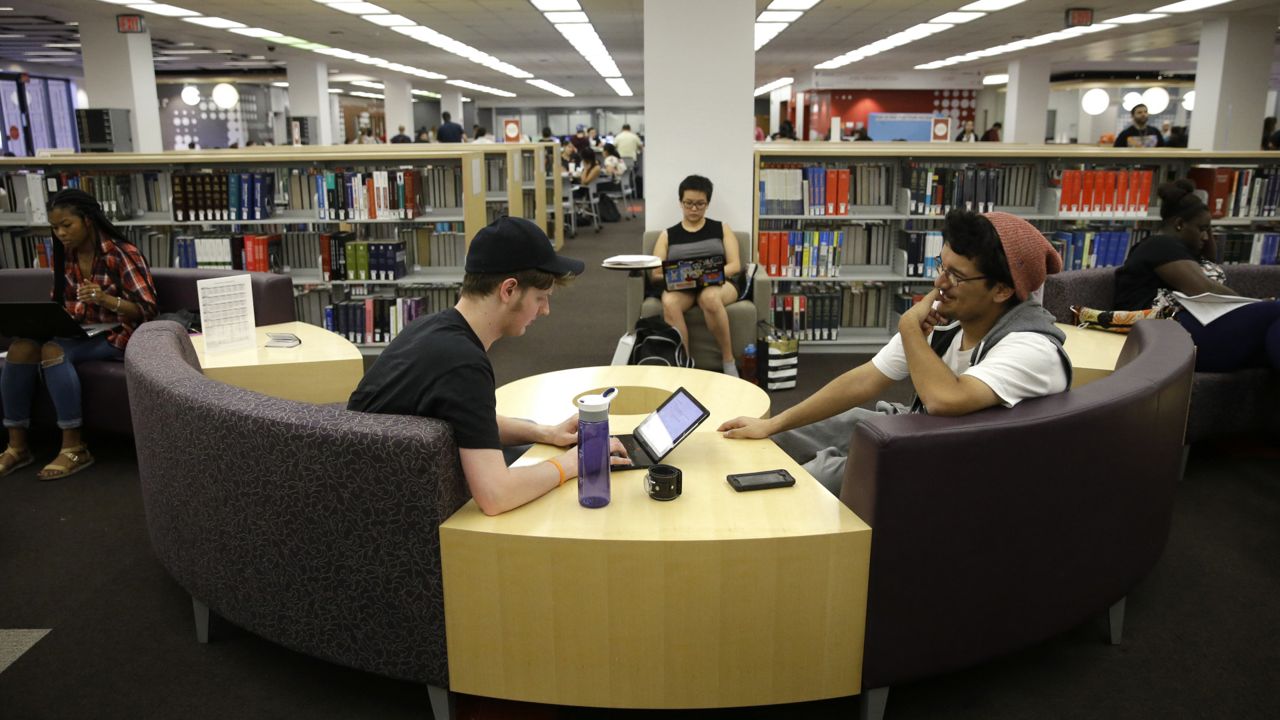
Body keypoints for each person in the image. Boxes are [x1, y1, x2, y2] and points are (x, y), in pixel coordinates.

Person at [718, 209, 1070, 494]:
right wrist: (772, 424)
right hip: (921, 432)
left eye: (956, 277)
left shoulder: (1031, 347)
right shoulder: (951, 321)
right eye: (941, 266)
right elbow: (865, 380)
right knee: (802, 432)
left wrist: (907, 329)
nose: (939, 284)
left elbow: (945, 399)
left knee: (819, 475)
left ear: (1002, 290)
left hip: (959, 469)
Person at [347, 216, 627, 515]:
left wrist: (545, 433)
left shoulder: (432, 330)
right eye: (541, 298)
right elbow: (496, 496)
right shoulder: (463, 363)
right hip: (392, 518)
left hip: (367, 491)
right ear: (508, 290)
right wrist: (577, 462)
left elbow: (474, 422)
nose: (545, 310)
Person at [0, 189, 158, 480]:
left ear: (87, 220)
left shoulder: (121, 253)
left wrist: (106, 301)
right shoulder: (66, 256)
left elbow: (147, 309)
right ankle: (17, 446)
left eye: (66, 225)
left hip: (118, 334)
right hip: (80, 331)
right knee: (20, 348)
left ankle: (75, 447)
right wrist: (56, 318)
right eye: (55, 227)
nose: (60, 233)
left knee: (53, 351)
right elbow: (59, 302)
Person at [1113, 179, 1280, 374]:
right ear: (1179, 224)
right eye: (1201, 229)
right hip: (1160, 332)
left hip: (1195, 328)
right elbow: (1204, 288)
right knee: (1274, 311)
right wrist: (1255, 304)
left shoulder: (1188, 252)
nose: (1206, 237)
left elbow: (1211, 257)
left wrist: (1205, 222)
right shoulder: (1158, 245)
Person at [649, 175, 743, 377]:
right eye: (688, 203)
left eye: (699, 204)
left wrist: (702, 274)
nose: (693, 209)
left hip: (719, 283)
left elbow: (735, 265)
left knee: (709, 298)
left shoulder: (721, 228)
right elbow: (656, 272)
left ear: (707, 203)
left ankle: (728, 360)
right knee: (669, 301)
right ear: (680, 202)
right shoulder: (668, 235)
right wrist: (689, 276)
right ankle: (684, 366)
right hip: (682, 286)